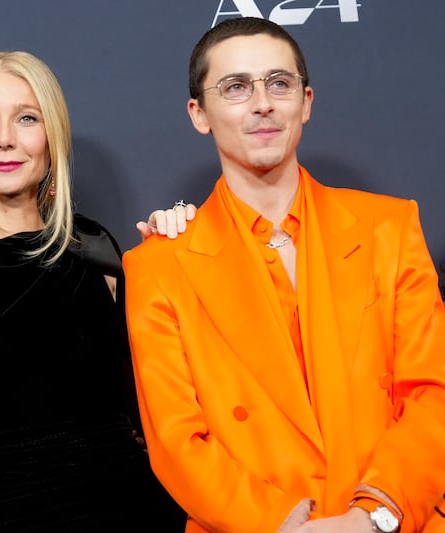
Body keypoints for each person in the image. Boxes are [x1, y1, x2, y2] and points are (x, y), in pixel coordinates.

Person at [124, 17, 445, 533]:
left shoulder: (389, 227)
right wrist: (280, 524)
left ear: (307, 102)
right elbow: (175, 439)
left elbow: (433, 395)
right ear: (199, 114)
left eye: (279, 83)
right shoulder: (158, 264)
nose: (262, 103)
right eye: (235, 87)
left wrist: (372, 516)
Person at [0, 51, 188, 532]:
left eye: (26, 118)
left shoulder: (95, 247)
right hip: (11, 514)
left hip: (138, 509)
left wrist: (180, 244)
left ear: (52, 136)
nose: (5, 139)